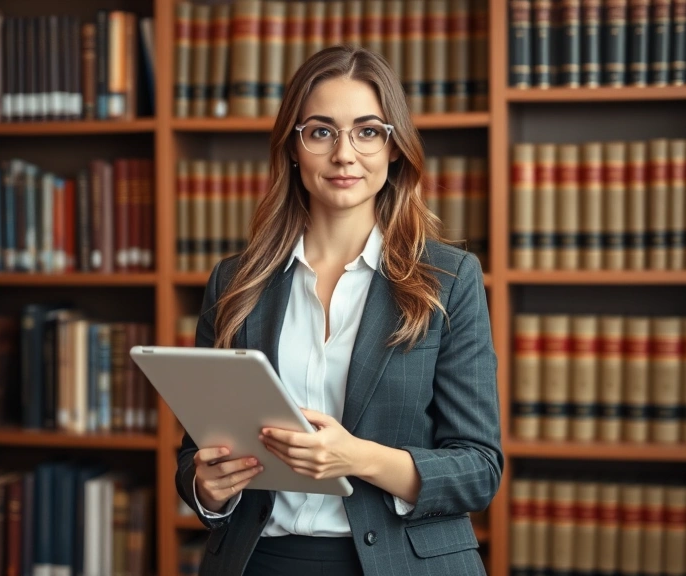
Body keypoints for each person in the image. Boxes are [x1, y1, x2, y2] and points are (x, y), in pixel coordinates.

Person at [175, 44, 503, 576]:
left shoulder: (449, 280)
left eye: (368, 131)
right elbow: (196, 453)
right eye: (321, 131)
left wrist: (356, 459)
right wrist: (206, 487)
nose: (344, 154)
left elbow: (478, 469)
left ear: (395, 147)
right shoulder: (234, 282)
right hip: (260, 561)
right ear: (294, 147)